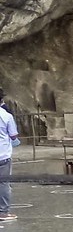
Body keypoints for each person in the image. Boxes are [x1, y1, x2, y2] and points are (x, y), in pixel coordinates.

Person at [0, 91, 19, 222]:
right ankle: (3, 212)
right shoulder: (6, 116)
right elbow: (13, 135)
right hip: (3, 154)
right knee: (4, 183)